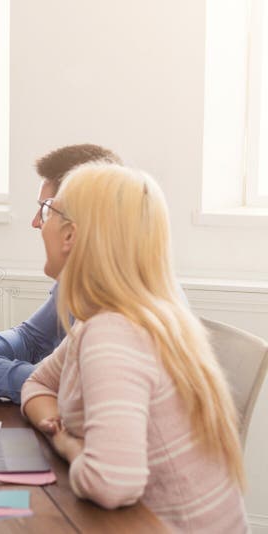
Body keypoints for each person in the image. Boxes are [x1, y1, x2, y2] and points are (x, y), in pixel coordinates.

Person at [21, 163, 247, 531]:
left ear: (70, 235)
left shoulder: (113, 333)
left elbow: (111, 484)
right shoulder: (119, 317)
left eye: (48, 211)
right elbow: (37, 383)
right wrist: (61, 430)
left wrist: (65, 442)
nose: (39, 223)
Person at [0, 144, 121, 403]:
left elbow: (61, 388)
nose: (35, 222)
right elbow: (32, 340)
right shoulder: (76, 279)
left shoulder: (114, 311)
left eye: (46, 209)